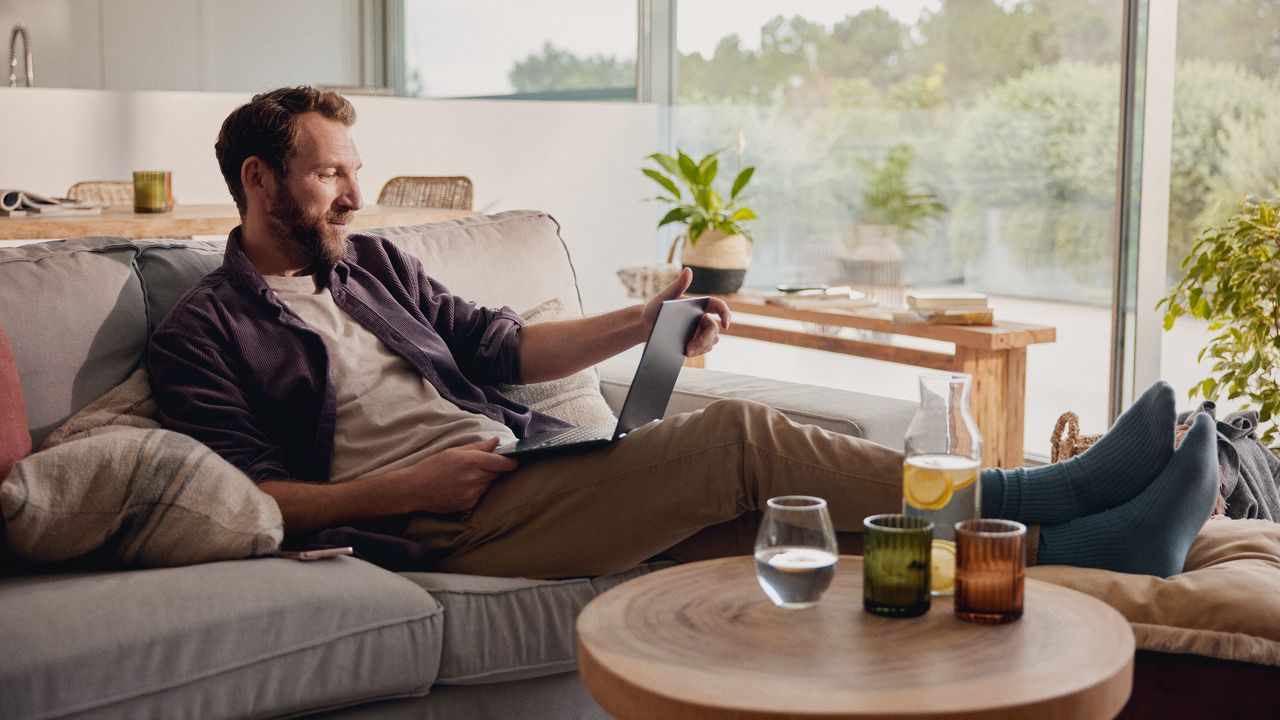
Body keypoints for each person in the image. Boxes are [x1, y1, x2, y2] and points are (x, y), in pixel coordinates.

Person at [146, 86, 1219, 580]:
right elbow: (251, 497)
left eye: (353, 168)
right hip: (434, 526)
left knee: (776, 539)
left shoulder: (373, 262)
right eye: (331, 171)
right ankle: (1046, 492)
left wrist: (644, 322)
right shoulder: (205, 331)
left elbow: (504, 349)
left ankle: (1083, 548)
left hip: (524, 472)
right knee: (737, 439)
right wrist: (399, 494)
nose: (353, 191)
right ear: (259, 180)